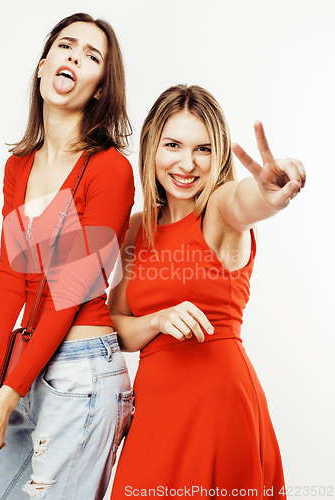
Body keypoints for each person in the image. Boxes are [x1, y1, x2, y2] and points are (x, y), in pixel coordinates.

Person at [0, 13, 135, 500]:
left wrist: (7, 394)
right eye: (66, 46)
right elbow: (10, 278)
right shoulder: (18, 167)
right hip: (23, 368)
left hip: (81, 371)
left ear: (100, 88)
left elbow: (70, 291)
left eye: (92, 56)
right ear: (42, 67)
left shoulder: (110, 170)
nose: (75, 57)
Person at [109, 85, 305, 499]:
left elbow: (245, 201)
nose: (187, 163)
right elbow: (114, 326)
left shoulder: (219, 209)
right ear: (151, 148)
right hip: (153, 417)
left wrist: (269, 196)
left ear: (218, 156)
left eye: (203, 149)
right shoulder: (136, 228)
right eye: (173, 145)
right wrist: (158, 320)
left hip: (218, 409)